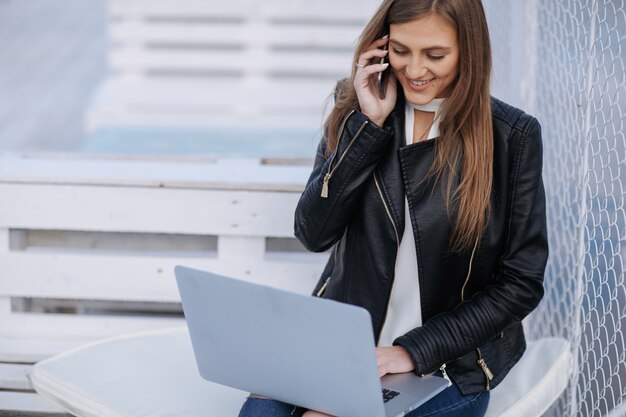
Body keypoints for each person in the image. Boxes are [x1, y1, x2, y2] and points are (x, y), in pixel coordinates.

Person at [238, 0, 548, 415]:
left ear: (469, 51)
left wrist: (412, 351)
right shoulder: (359, 111)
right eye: (401, 51)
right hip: (346, 345)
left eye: (435, 55)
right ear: (382, 46)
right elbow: (314, 234)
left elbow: (520, 283)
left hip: (448, 362)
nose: (415, 70)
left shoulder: (512, 137)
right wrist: (368, 127)